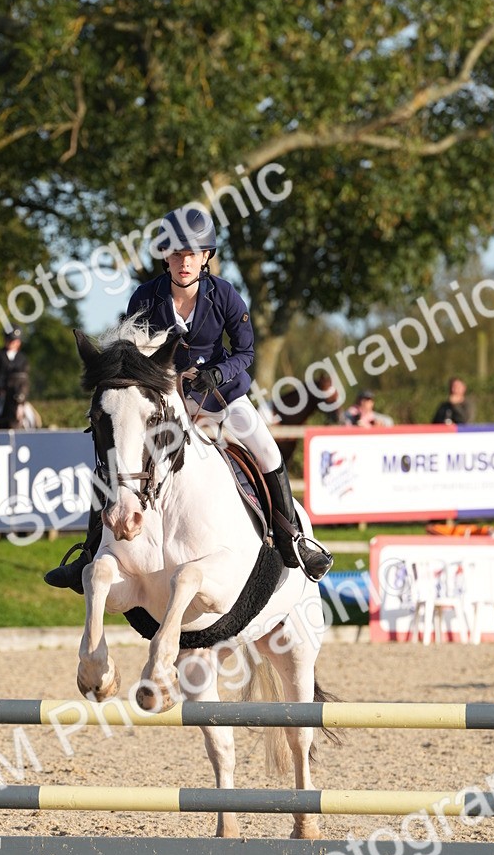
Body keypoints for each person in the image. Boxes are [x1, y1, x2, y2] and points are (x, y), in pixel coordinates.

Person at [44, 206, 333, 591]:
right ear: (165, 257)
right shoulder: (145, 297)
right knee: (118, 459)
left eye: (192, 254)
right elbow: (133, 355)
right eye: (176, 254)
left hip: (223, 395)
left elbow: (246, 352)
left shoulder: (225, 295)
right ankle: (90, 550)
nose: (184, 262)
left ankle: (292, 539)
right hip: (166, 400)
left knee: (266, 448)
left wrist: (220, 372)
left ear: (205, 257)